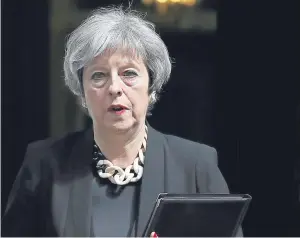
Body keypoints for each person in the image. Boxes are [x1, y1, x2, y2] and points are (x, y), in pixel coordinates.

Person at [1, 5, 242, 237]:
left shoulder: (196, 167)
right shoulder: (44, 166)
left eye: (129, 73)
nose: (115, 87)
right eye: (99, 75)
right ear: (82, 93)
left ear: (152, 87)